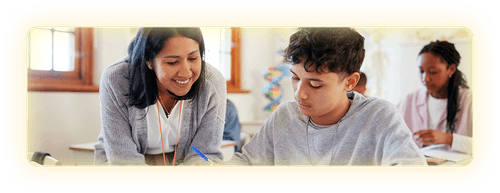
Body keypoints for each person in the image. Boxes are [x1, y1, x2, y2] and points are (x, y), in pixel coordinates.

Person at [226, 27, 427, 166]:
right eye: (295, 78)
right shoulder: (285, 115)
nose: (299, 93)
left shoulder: (378, 116)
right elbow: (246, 162)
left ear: (350, 82)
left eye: (315, 84)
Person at [94, 27, 227, 165]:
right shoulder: (116, 79)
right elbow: (123, 159)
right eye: (172, 62)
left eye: (193, 58)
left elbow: (205, 153)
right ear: (148, 61)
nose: (186, 73)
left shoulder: (213, 83)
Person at [397, 40, 472, 154]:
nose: (425, 78)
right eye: (421, 71)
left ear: (451, 69)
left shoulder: (470, 101)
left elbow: (489, 146)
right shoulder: (410, 100)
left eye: (432, 72)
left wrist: (449, 139)